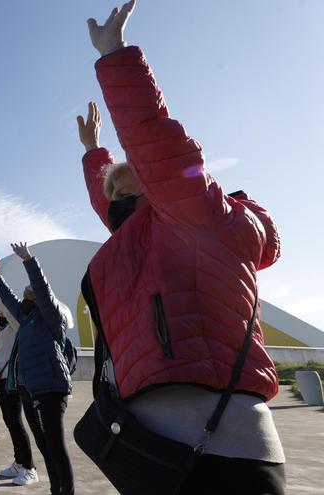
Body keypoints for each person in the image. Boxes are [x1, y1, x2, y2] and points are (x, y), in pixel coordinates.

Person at [75, 3, 285, 493]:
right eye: (115, 196)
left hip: (219, 452)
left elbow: (157, 144)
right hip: (155, 451)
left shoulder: (201, 215)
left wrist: (115, 55)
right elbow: (110, 207)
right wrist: (93, 155)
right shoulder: (153, 236)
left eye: (131, 189)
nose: (117, 203)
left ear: (156, 184)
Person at [0, 244, 74, 494]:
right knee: (44, 443)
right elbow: (8, 300)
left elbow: (43, 291)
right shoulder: (26, 319)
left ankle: (66, 491)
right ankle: (55, 488)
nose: (24, 298)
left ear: (38, 299)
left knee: (56, 446)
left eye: (28, 295)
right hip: (29, 387)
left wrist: (29, 261)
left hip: (50, 386)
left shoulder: (50, 317)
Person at [0, 282, 39, 486]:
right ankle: (19, 462)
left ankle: (30, 468)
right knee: (9, 420)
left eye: (1, 310)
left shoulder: (16, 325)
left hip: (12, 380)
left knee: (16, 421)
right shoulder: (2, 329)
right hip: (0, 379)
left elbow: (6, 307)